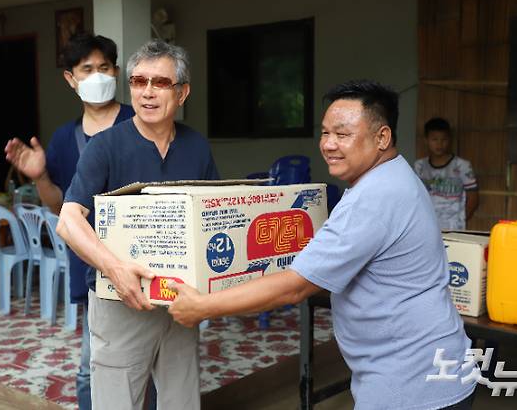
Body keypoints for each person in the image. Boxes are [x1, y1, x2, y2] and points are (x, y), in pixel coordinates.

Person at [167, 80, 476, 410]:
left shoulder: (374, 197)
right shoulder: (396, 175)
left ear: (382, 137)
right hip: (434, 365)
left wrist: (203, 306)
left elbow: (294, 288)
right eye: (326, 133)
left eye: (343, 134)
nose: (329, 144)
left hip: (410, 381)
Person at [57, 39, 219, 410]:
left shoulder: (196, 146)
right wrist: (115, 268)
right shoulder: (105, 146)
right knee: (117, 401)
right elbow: (69, 220)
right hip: (121, 298)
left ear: (182, 92)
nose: (146, 92)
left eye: (160, 83)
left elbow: (212, 214)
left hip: (180, 299)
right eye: (138, 81)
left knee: (182, 398)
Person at [4, 32, 134, 410]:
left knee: (151, 363)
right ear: (70, 78)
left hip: (146, 256)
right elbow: (60, 206)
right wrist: (41, 177)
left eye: (105, 68)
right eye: (87, 69)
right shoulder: (64, 138)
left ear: (116, 71)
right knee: (91, 364)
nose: (98, 76)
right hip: (92, 263)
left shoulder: (139, 121)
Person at [413, 117, 479, 230]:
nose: (439, 144)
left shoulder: (462, 166)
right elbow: (415, 197)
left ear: (449, 140)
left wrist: (461, 219)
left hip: (454, 228)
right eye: (434, 139)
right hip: (427, 227)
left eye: (444, 139)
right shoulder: (419, 166)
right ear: (426, 140)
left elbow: (473, 198)